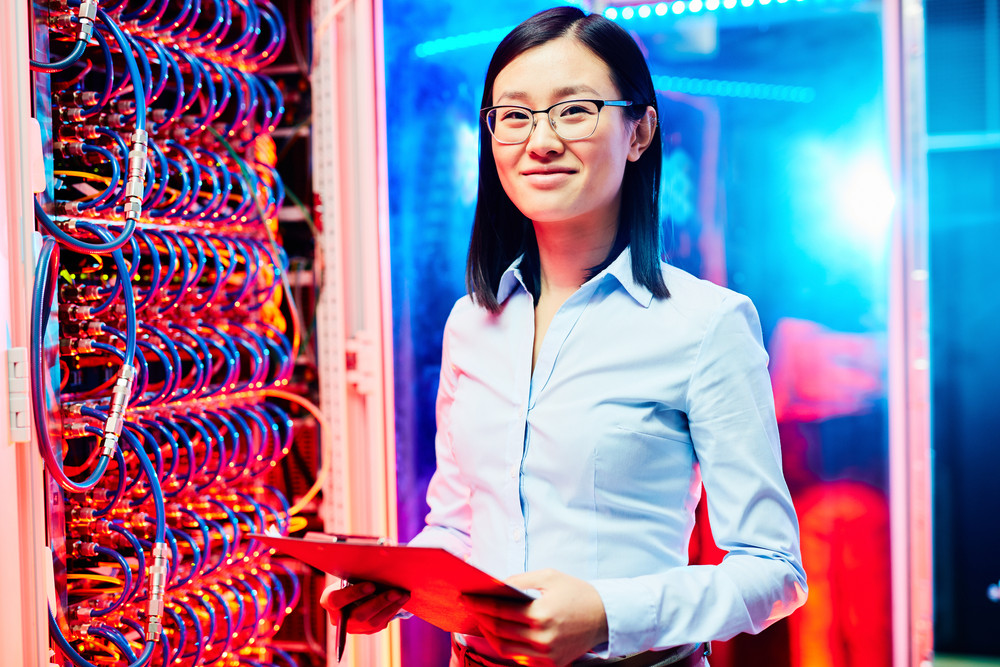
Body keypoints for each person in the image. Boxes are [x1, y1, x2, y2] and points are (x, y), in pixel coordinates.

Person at [320, 6, 807, 666]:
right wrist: (400, 585)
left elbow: (774, 571)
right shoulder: (471, 322)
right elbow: (458, 524)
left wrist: (607, 615)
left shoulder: (707, 324)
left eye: (574, 110)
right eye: (514, 115)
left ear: (640, 132)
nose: (539, 140)